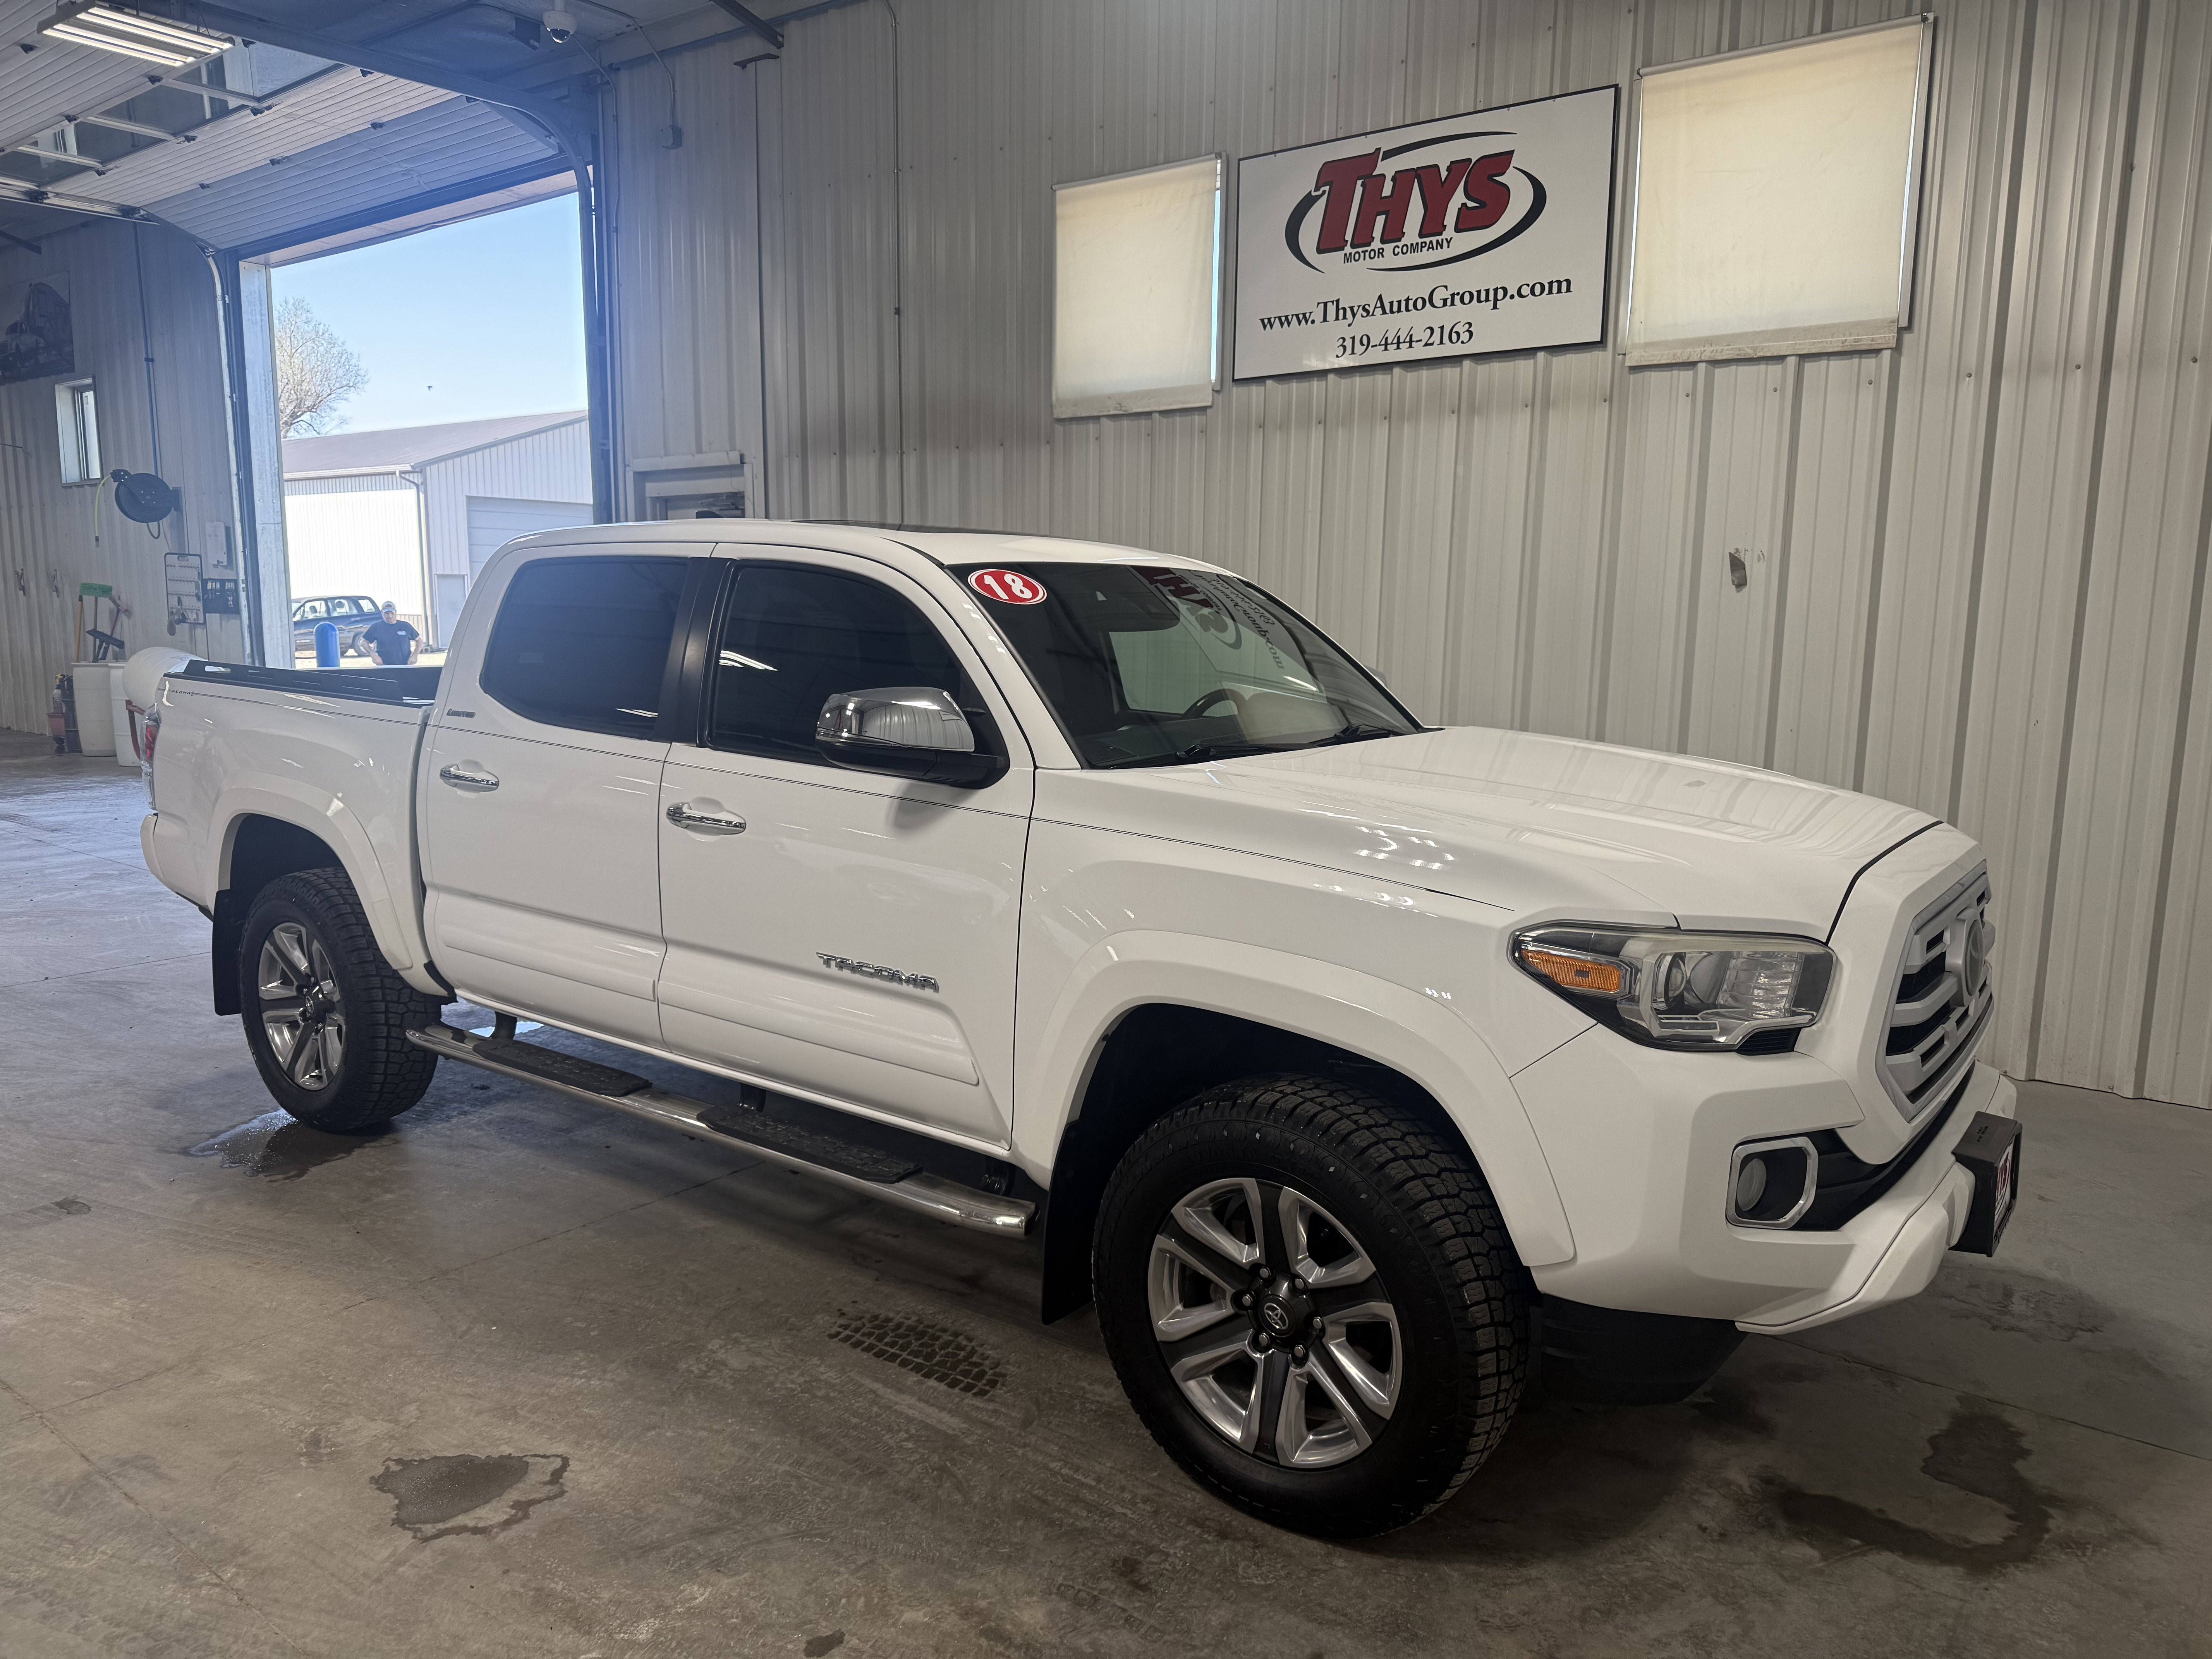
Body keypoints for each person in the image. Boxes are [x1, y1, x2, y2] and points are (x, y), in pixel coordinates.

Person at [357, 602, 421, 666]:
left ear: (396, 613)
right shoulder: (376, 627)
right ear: (382, 614)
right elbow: (363, 643)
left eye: (392, 613)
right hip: (384, 666)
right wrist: (373, 656)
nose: (390, 616)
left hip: (405, 665)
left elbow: (420, 641)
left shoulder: (406, 626)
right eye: (387, 614)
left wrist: (415, 655)